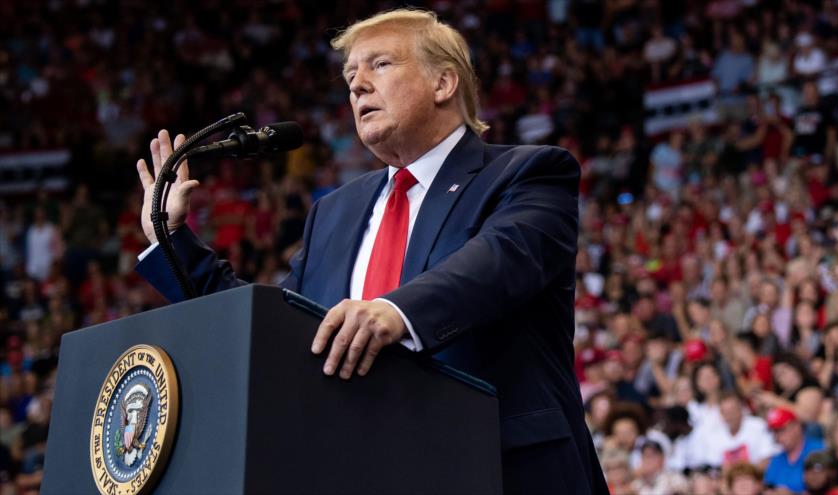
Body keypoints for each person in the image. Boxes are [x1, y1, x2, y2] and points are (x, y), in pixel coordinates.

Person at [133, 8, 607, 494]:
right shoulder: (334, 212)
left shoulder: (529, 173)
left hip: (500, 469)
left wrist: (394, 311)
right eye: (350, 76)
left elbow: (498, 262)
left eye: (379, 65)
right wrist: (170, 240)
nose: (357, 85)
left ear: (443, 83)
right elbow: (276, 328)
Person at [764, 407, 826, 493]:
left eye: (781, 430)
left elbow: (826, 489)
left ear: (797, 427)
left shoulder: (819, 449)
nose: (777, 437)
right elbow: (768, 487)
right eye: (774, 432)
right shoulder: (777, 459)